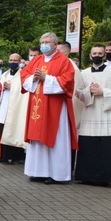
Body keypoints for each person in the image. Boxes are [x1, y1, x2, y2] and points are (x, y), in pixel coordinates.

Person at [19, 32, 78, 184]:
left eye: (47, 42)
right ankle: (38, 171)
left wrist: (47, 78)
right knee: (37, 139)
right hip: (37, 107)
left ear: (55, 44)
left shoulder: (64, 61)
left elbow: (68, 82)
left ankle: (56, 174)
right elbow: (24, 76)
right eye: (42, 42)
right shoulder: (37, 60)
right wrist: (34, 78)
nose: (44, 45)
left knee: (56, 139)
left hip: (55, 108)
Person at [74, 44, 111, 184]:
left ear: (104, 56)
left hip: (108, 115)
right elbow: (79, 93)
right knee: (89, 146)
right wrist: (89, 91)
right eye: (94, 53)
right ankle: (87, 177)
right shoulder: (85, 73)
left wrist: (103, 92)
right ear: (90, 56)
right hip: (91, 114)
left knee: (107, 147)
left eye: (100, 53)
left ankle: (107, 177)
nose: (97, 56)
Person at [0, 53, 28, 164]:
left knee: (14, 129)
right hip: (5, 104)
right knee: (2, 129)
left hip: (16, 107)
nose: (12, 62)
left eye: (15, 60)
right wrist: (2, 87)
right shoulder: (4, 74)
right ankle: (3, 155)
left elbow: (25, 88)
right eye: (11, 60)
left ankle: (14, 156)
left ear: (19, 62)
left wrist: (12, 87)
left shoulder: (23, 74)